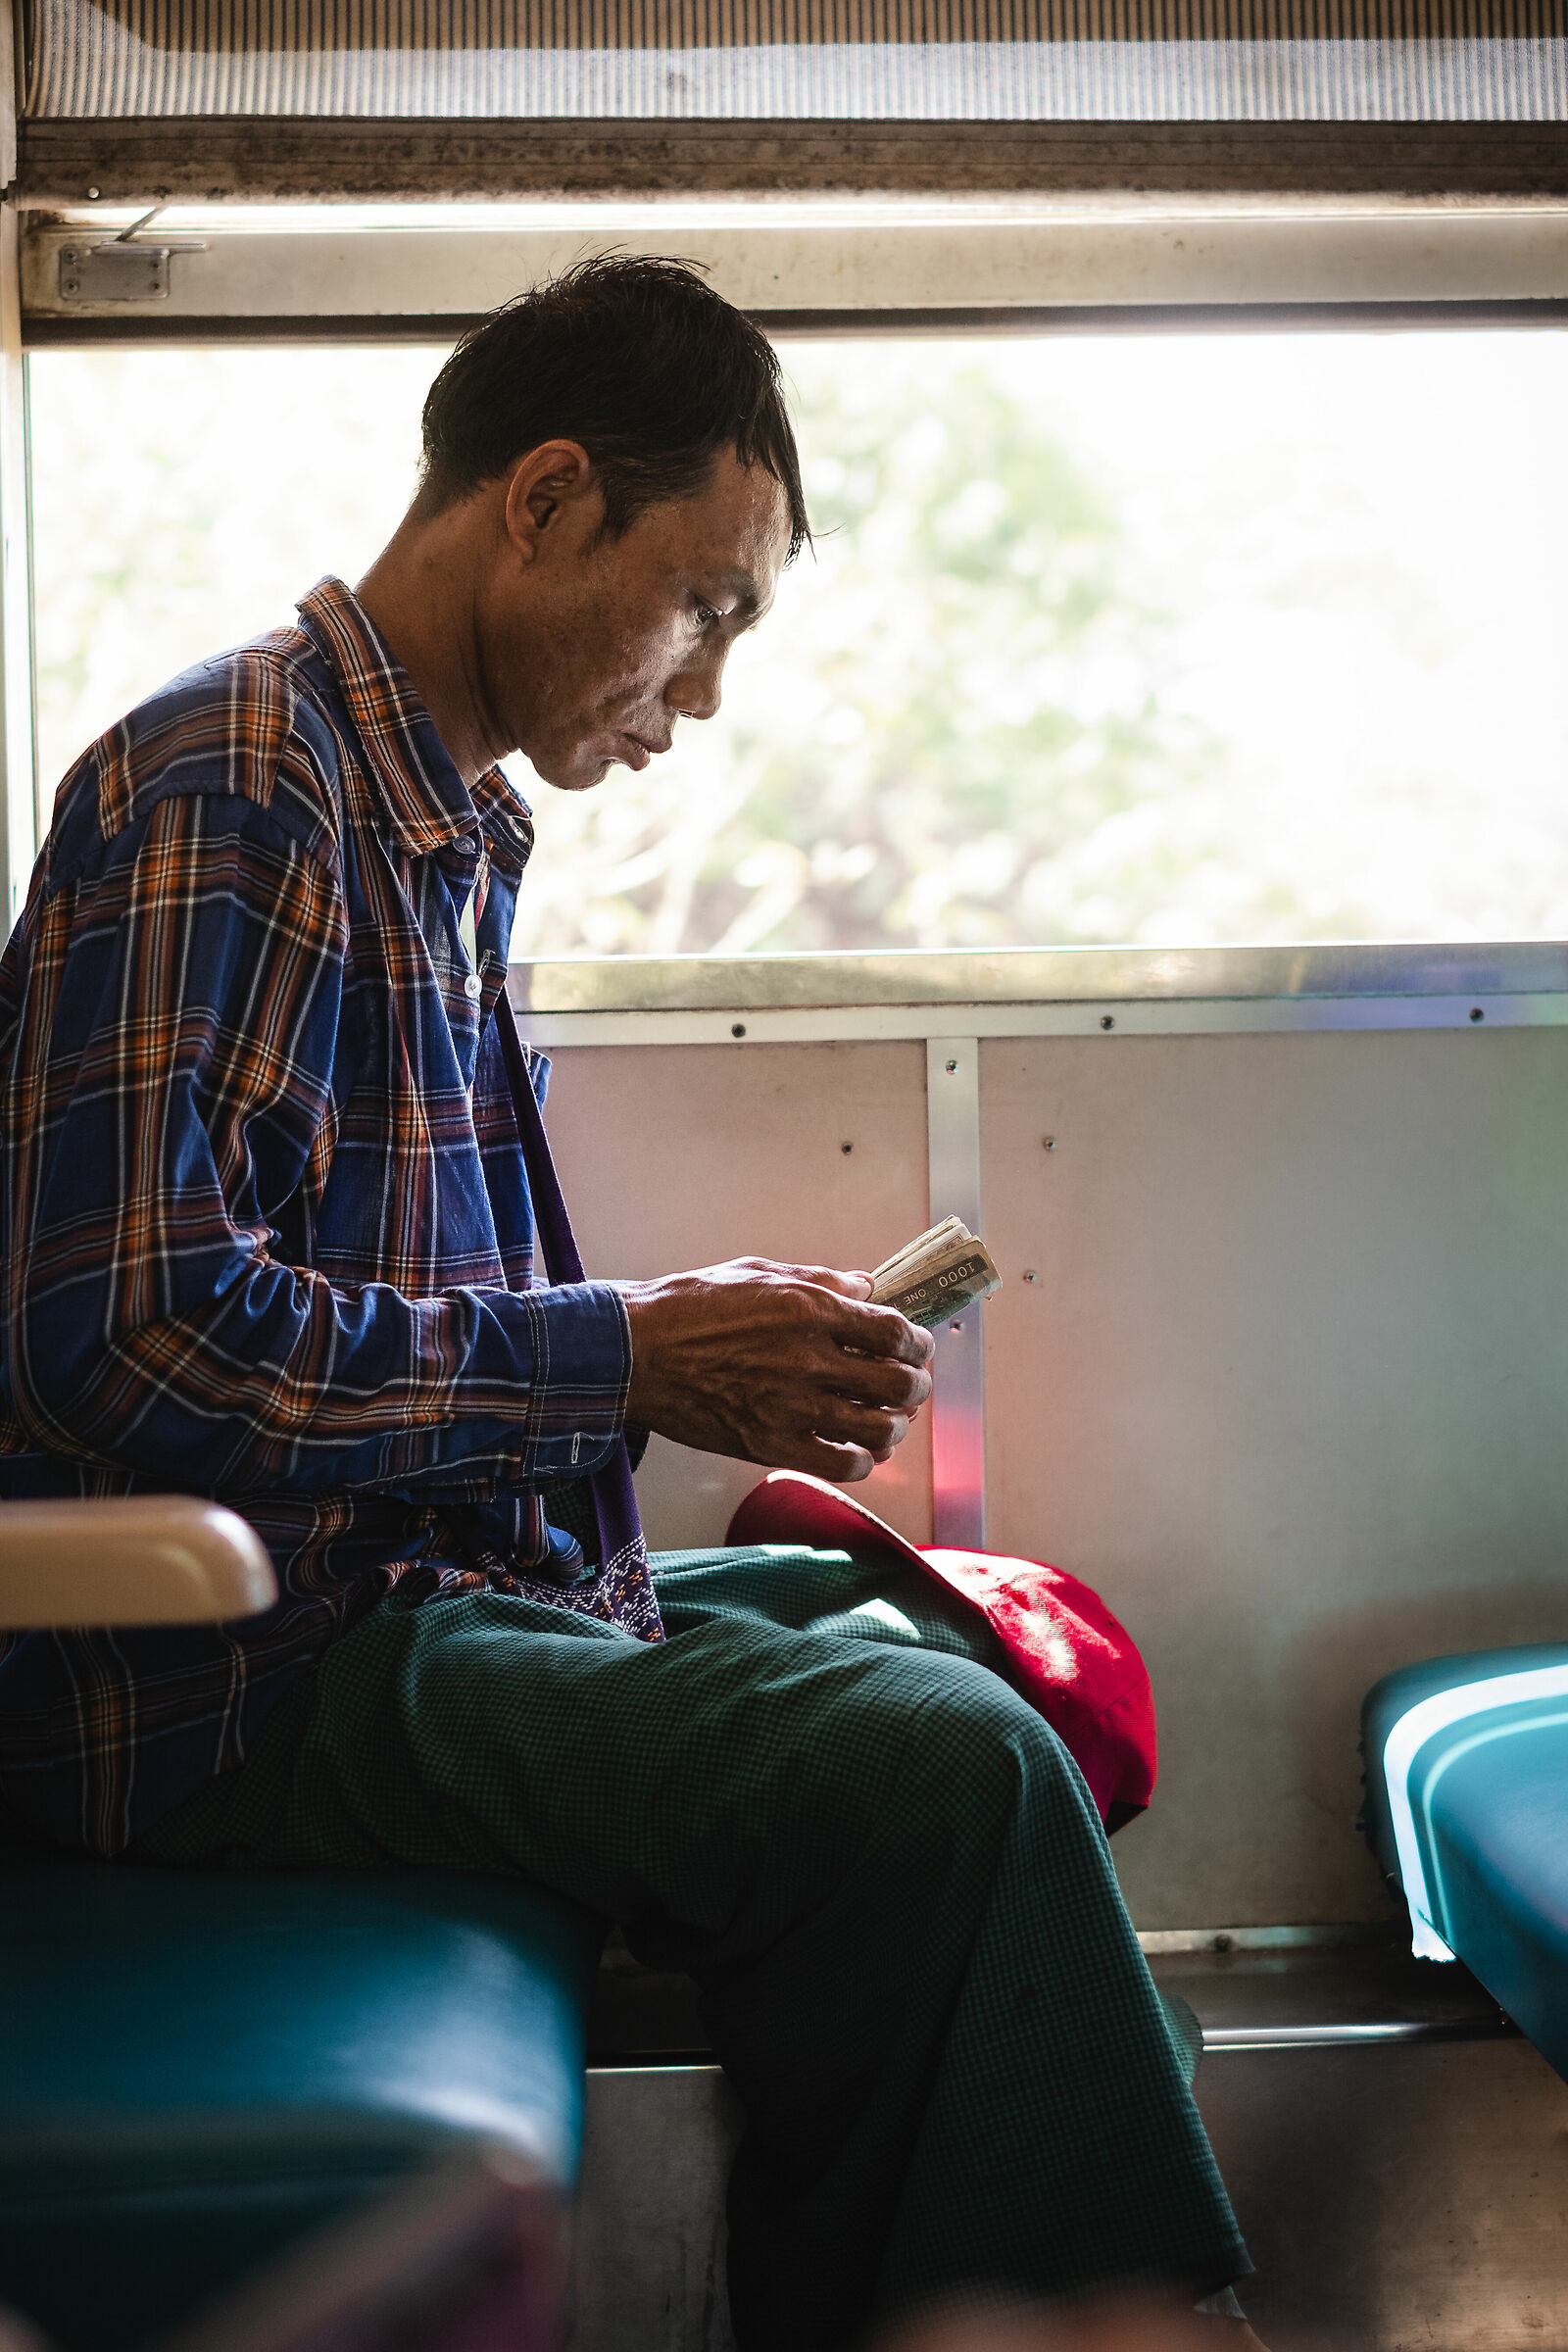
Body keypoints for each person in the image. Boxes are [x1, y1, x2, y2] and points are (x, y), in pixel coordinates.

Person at [0, 257, 1259, 2348]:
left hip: (398, 1588)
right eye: (704, 605)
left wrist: (683, 1352)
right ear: (547, 498)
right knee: (931, 1764)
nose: (707, 688)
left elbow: (358, 1303)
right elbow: (130, 1333)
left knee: (932, 1636)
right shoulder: (233, 784)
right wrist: (631, 1355)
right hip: (236, 1677)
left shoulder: (427, 821)